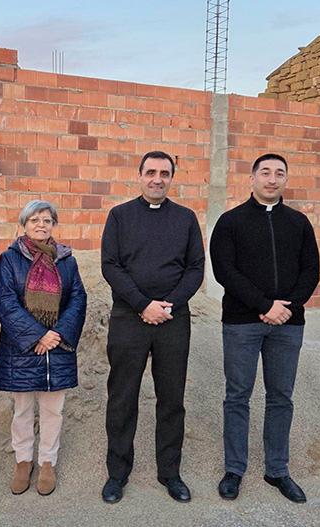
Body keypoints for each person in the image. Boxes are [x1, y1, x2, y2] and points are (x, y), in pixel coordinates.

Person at [209, 153, 320, 504]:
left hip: (288, 324)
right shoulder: (231, 222)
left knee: (281, 397)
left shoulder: (299, 223)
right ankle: (234, 469)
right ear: (252, 178)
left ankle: (277, 469)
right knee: (237, 396)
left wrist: (287, 308)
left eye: (279, 173)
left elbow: (311, 271)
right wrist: (264, 305)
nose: (272, 179)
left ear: (286, 179)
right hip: (242, 323)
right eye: (266, 173)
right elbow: (225, 270)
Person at [100, 150, 205, 504]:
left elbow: (195, 269)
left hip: (173, 320)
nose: (157, 178)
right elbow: (110, 266)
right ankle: (117, 473)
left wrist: (168, 305)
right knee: (122, 397)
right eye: (151, 172)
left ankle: (170, 472)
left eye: (164, 172)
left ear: (172, 177)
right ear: (140, 175)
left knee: (172, 399)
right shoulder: (119, 216)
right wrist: (143, 304)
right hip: (129, 317)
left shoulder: (186, 219)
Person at [0, 200, 87, 496]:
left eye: (46, 220)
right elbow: (5, 302)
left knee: (53, 410)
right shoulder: (9, 259)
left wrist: (57, 334)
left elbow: (78, 299)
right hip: (22, 348)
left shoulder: (66, 260)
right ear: (24, 224)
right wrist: (37, 335)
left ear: (53, 225)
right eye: (34, 220)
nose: (41, 225)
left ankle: (47, 462)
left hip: (57, 347)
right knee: (21, 409)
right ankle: (23, 461)